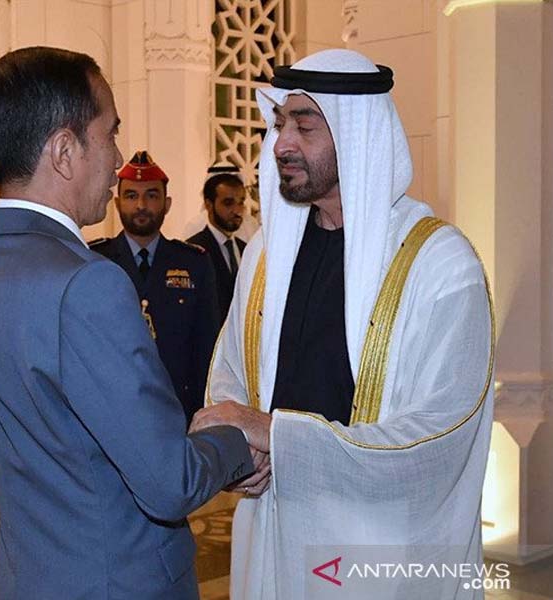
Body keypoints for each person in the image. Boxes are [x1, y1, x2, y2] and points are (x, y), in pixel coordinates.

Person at [0, 47, 263, 600]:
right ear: (64, 151)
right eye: (110, 133)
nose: (118, 159)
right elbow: (170, 481)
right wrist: (241, 435)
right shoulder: (88, 283)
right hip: (121, 582)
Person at [191, 49, 495, 599]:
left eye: (304, 126)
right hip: (274, 528)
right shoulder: (265, 255)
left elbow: (440, 433)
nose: (281, 144)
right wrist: (239, 448)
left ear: (358, 138)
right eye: (280, 123)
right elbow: (231, 373)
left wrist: (277, 437)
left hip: (376, 551)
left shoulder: (439, 265)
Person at [91, 151, 220, 424]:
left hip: (178, 411)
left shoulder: (194, 263)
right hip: (111, 411)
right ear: (117, 203)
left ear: (167, 203)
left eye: (151, 195)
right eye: (131, 196)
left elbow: (207, 349)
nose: (141, 205)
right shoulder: (94, 261)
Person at [187, 166, 248, 322]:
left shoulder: (246, 249)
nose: (237, 211)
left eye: (241, 202)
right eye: (228, 203)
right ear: (209, 205)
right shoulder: (192, 250)